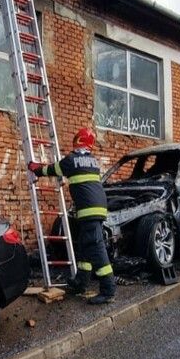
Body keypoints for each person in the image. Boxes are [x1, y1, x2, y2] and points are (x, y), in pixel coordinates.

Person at [27, 127, 115, 304]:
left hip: (89, 211)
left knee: (96, 248)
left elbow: (52, 170)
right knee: (85, 246)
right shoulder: (93, 161)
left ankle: (108, 290)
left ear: (78, 142)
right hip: (96, 209)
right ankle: (80, 283)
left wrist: (36, 169)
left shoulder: (72, 160)